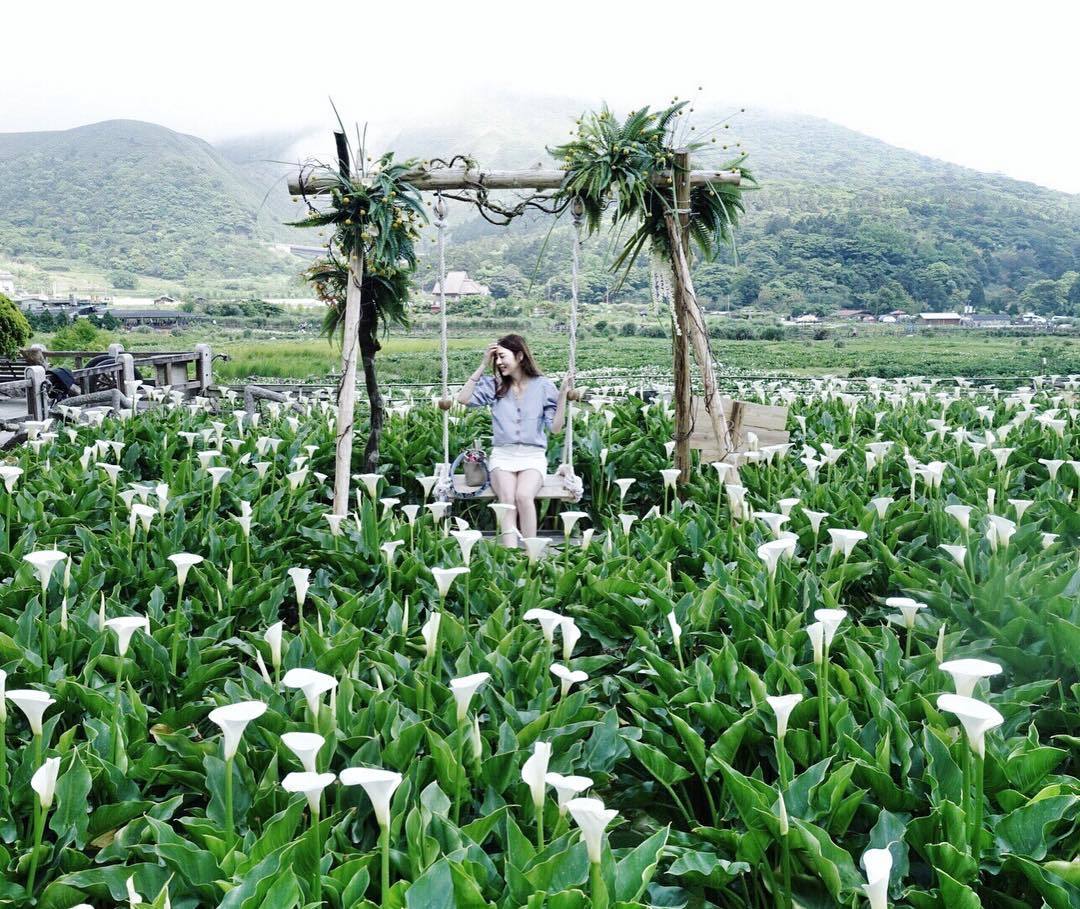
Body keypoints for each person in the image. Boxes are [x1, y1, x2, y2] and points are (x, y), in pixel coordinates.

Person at [456, 334, 572, 548]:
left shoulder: (543, 386)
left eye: (502, 356)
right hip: (503, 455)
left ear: (519, 356)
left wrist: (563, 395)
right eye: (495, 358)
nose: (498, 362)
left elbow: (555, 429)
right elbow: (463, 399)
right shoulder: (496, 385)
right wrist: (483, 365)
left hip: (532, 456)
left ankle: (532, 552)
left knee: (524, 496)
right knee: (507, 500)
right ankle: (510, 555)